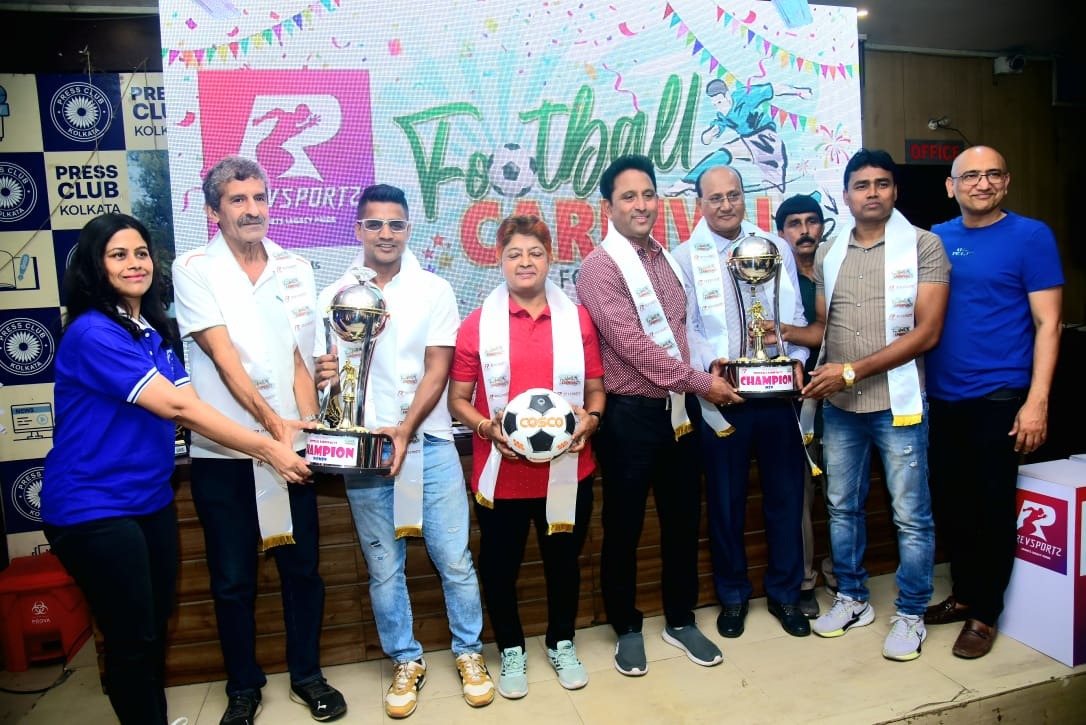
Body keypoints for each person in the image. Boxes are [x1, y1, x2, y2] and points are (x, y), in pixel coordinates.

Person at [41, 213, 312, 725]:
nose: (134, 264)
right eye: (118, 255)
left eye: (141, 253)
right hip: (92, 506)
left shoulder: (152, 331)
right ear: (95, 267)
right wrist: (269, 447)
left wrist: (280, 425)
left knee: (151, 628)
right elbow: (178, 408)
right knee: (132, 637)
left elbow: (194, 405)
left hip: (149, 500)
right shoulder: (93, 332)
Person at [172, 156, 347, 724]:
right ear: (213, 211)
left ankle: (307, 676)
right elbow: (224, 361)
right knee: (232, 580)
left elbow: (299, 358)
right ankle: (243, 688)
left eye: (259, 197)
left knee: (302, 571)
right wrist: (273, 430)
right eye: (238, 200)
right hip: (224, 454)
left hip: (292, 451)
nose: (252, 210)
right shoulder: (194, 268)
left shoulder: (295, 267)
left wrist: (310, 428)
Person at [313, 184, 493, 719]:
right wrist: (327, 378)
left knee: (454, 558)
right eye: (374, 224)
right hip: (365, 452)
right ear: (358, 230)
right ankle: (405, 659)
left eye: (395, 224)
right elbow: (328, 376)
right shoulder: (334, 294)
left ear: (409, 228)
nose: (385, 234)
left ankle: (469, 652)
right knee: (383, 567)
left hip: (429, 443)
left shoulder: (434, 289)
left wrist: (406, 429)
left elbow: (439, 367)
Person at [789, 149, 950, 661]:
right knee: (841, 507)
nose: (873, 193)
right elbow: (824, 328)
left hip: (898, 404)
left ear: (895, 191)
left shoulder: (923, 245)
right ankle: (853, 598)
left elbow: (927, 332)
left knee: (910, 515)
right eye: (862, 185)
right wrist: (774, 333)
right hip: (841, 407)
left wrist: (853, 370)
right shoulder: (831, 251)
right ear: (846, 196)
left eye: (882, 183)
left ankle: (911, 613)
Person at [576, 154, 733, 677]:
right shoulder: (599, 267)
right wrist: (706, 384)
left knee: (683, 521)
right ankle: (626, 626)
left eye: (648, 194)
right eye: (629, 196)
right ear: (608, 207)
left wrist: (706, 370)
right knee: (623, 527)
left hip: (681, 412)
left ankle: (681, 619)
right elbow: (634, 348)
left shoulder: (664, 257)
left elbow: (683, 333)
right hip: (630, 418)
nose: (641, 205)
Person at [448, 215, 605, 699]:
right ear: (499, 260)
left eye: (535, 253)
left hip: (568, 469)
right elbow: (458, 399)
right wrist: (485, 427)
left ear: (550, 258)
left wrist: (591, 419)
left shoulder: (577, 319)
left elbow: (596, 390)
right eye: (514, 253)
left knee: (564, 562)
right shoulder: (477, 325)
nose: (525, 262)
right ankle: (511, 649)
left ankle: (561, 642)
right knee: (500, 568)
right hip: (503, 474)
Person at [924, 146, 1063, 659]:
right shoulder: (936, 237)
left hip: (999, 397)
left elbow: (1049, 323)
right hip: (942, 398)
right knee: (952, 504)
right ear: (951, 186)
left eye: (992, 174)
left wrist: (1037, 401)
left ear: (1006, 181)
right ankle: (964, 594)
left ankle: (985, 614)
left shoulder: (1031, 236)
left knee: (991, 509)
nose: (981, 184)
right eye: (970, 176)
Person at [672, 166, 811, 640]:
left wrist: (795, 361)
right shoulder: (684, 257)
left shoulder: (774, 247)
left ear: (744, 197)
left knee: (786, 497)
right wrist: (709, 370)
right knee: (726, 502)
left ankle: (786, 594)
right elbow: (686, 326)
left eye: (734, 195)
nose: (726, 205)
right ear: (699, 204)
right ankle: (732, 596)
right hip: (721, 398)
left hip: (777, 393)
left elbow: (793, 314)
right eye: (716, 198)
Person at [774, 193, 837, 617]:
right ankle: (804, 580)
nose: (804, 230)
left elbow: (834, 329)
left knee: (841, 492)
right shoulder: (772, 273)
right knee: (800, 495)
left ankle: (841, 573)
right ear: (781, 233)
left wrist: (782, 331)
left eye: (812, 221)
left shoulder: (837, 268)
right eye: (794, 223)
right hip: (794, 400)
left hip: (844, 393)